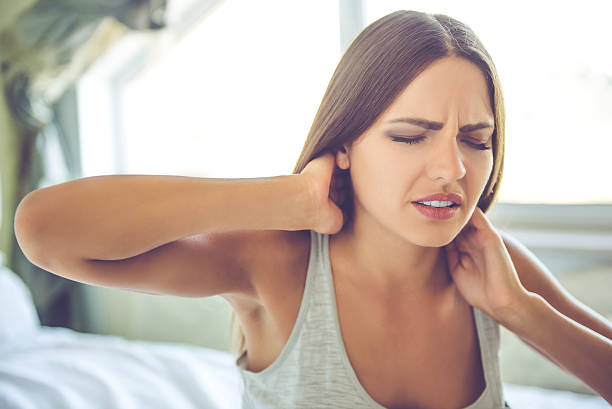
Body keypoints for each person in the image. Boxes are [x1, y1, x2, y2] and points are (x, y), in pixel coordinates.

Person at [14, 9, 612, 409]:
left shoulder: (495, 270)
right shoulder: (275, 265)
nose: (453, 169)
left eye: (476, 140)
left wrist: (520, 311)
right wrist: (284, 197)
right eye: (410, 136)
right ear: (346, 144)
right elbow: (44, 231)